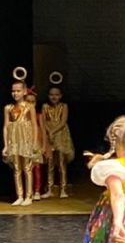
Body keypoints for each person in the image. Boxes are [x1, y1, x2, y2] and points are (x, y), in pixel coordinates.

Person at [2, 76, 38, 207]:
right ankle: (20, 195)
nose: (15, 93)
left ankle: (29, 196)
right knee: (17, 168)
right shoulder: (8, 108)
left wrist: (34, 142)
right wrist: (6, 145)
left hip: (26, 141)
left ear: (24, 92)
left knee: (27, 168)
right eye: (13, 91)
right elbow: (6, 127)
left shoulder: (29, 107)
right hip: (14, 141)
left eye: (18, 91)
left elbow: (34, 125)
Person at [42, 82, 75, 199]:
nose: (54, 97)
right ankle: (50, 189)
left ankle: (63, 189)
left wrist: (53, 131)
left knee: (61, 163)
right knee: (50, 163)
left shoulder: (64, 106)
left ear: (60, 95)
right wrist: (48, 131)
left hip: (61, 135)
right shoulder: (45, 106)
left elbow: (63, 121)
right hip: (49, 136)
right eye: (51, 94)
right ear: (48, 95)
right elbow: (43, 121)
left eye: (56, 94)